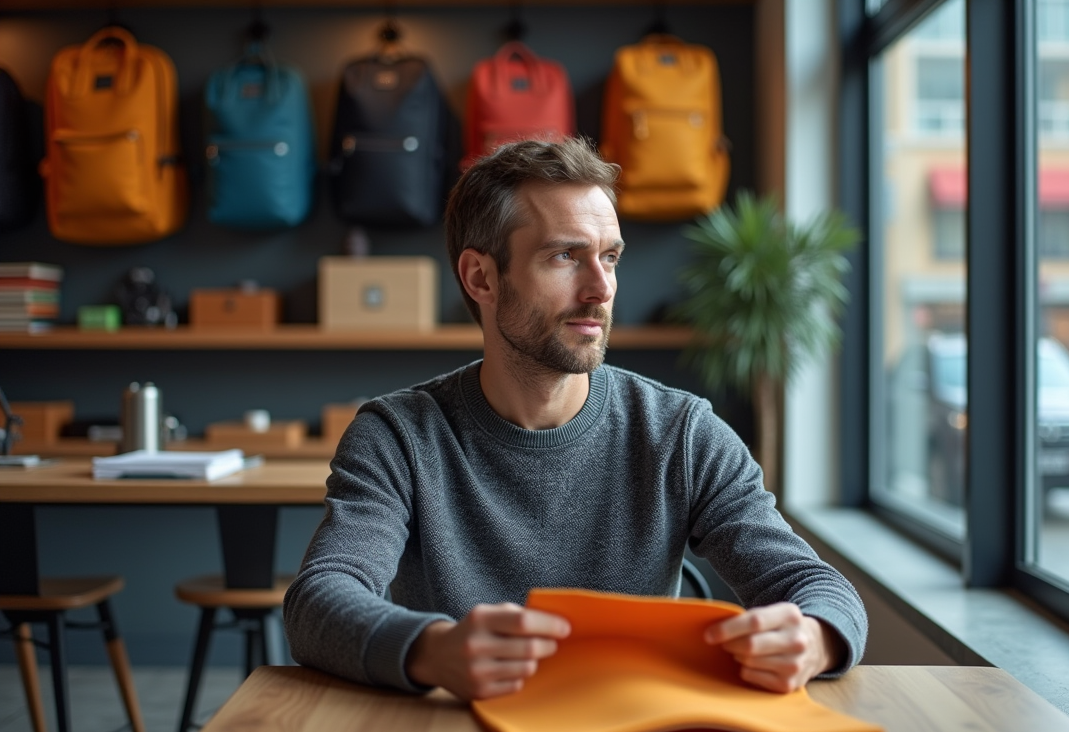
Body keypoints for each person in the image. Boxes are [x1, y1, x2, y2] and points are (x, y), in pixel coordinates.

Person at [283, 137, 867, 701]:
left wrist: (813, 638)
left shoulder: (681, 432)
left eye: (609, 257)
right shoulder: (397, 437)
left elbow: (817, 588)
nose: (601, 288)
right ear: (481, 277)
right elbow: (319, 600)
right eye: (565, 256)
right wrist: (434, 651)